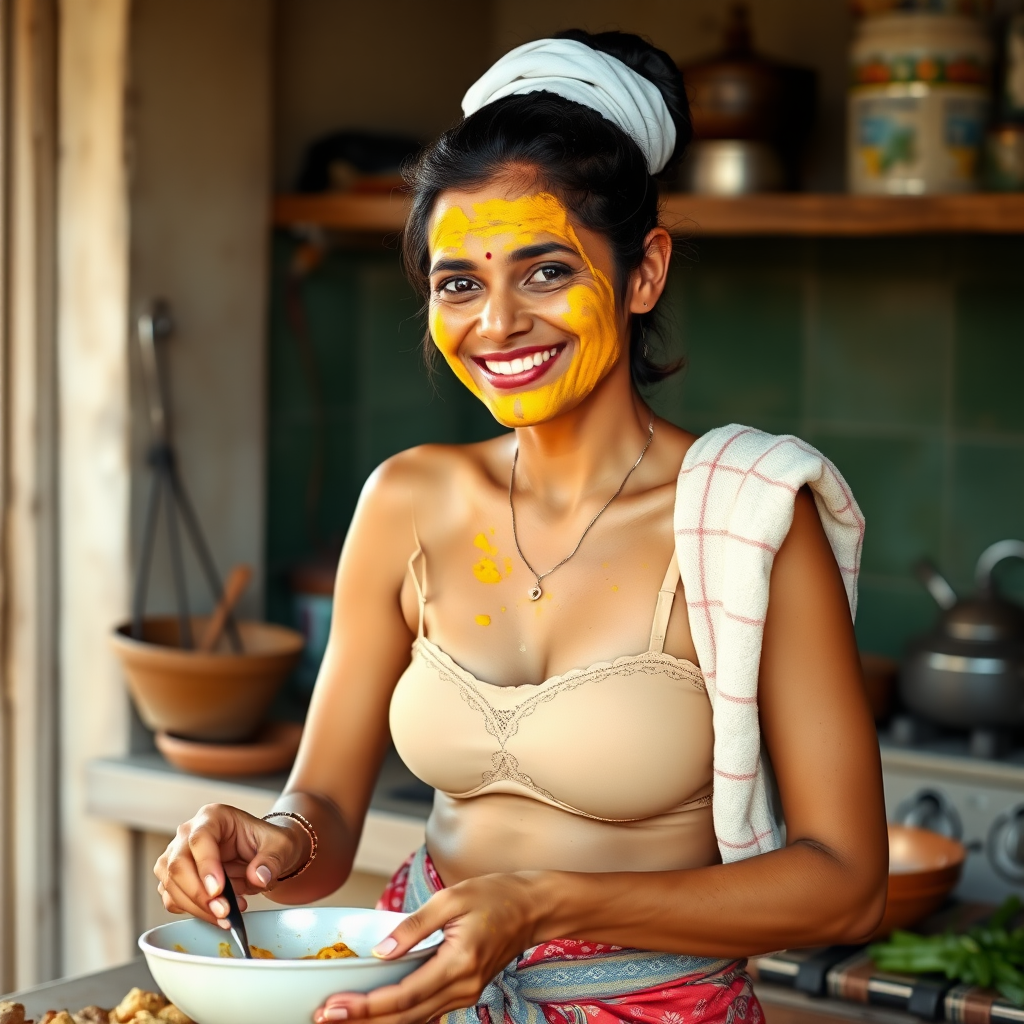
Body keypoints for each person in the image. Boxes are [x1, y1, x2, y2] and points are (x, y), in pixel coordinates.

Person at [154, 30, 888, 1024]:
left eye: (543, 271)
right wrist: (271, 840)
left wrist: (545, 902)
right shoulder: (408, 502)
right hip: (415, 997)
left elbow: (845, 882)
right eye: (458, 282)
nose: (495, 322)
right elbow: (320, 816)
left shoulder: (745, 518)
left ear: (642, 273)